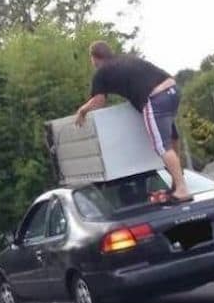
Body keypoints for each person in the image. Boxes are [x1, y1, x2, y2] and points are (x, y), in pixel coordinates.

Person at [75, 41, 191, 203]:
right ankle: (176, 182)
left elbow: (99, 100)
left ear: (94, 58)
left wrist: (82, 110)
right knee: (172, 138)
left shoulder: (102, 72)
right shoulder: (127, 60)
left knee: (161, 146)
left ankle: (182, 189)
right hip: (172, 90)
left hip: (154, 97)